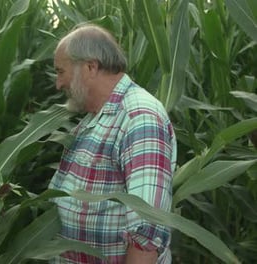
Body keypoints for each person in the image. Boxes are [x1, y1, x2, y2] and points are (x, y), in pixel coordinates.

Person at [49, 24, 177, 264]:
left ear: (90, 67)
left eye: (60, 71)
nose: (58, 84)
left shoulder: (139, 117)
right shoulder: (96, 117)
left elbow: (146, 235)